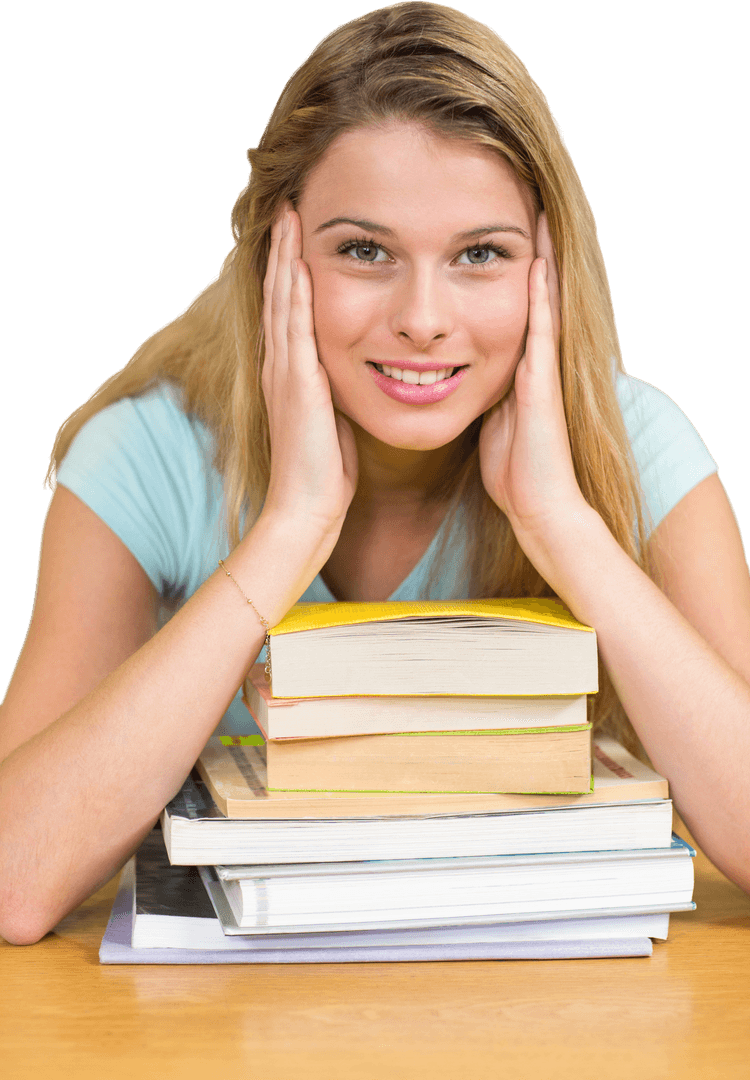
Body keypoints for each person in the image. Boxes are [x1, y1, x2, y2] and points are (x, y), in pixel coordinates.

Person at [1, 2, 749, 946]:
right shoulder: (148, 455)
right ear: (278, 252)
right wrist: (291, 529)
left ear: (548, 268)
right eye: (365, 251)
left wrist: (560, 522)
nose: (423, 318)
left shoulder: (640, 448)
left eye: (481, 254)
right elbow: (12, 881)